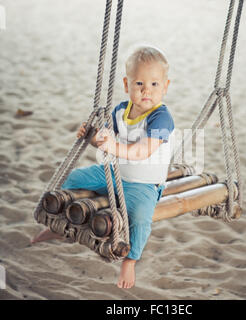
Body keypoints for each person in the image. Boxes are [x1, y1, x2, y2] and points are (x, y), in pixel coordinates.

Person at [31, 45, 174, 289]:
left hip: (143, 183)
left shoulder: (161, 118)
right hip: (114, 173)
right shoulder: (120, 110)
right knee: (73, 179)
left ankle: (130, 260)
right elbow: (104, 139)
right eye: (139, 84)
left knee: (139, 216)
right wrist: (91, 136)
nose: (146, 91)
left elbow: (142, 151)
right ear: (127, 84)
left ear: (166, 87)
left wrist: (113, 147)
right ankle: (61, 229)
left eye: (154, 84)